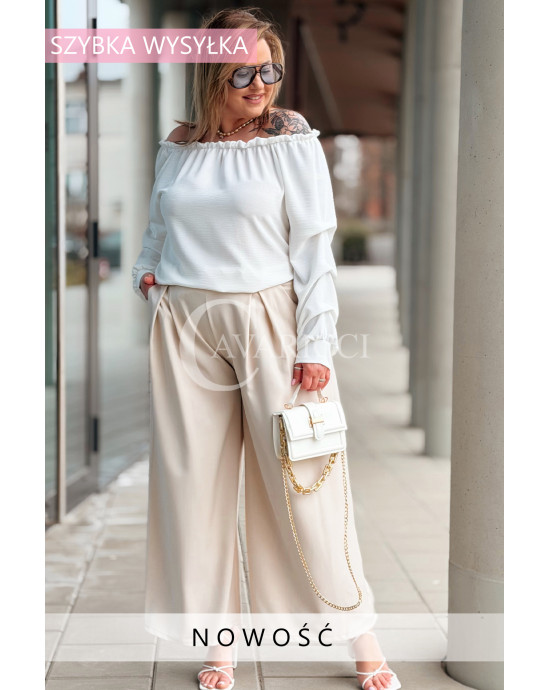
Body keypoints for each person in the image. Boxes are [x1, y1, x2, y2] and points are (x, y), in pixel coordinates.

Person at [131, 8, 401, 690]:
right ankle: (217, 644)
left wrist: (317, 343)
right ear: (211, 73)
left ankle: (360, 636)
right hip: (185, 325)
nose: (260, 85)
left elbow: (314, 248)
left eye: (269, 70)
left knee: (304, 481)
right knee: (194, 488)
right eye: (243, 73)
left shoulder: (289, 136)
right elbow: (159, 227)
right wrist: (148, 275)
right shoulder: (180, 143)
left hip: (270, 320)